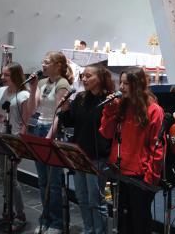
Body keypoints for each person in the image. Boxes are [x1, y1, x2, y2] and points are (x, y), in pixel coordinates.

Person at [99, 67, 164, 234]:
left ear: (138, 85)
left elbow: (157, 148)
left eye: (126, 83)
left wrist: (150, 178)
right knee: (119, 218)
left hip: (139, 177)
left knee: (139, 222)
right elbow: (106, 133)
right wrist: (109, 110)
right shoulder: (120, 106)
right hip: (116, 171)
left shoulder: (154, 110)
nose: (120, 87)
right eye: (120, 82)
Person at [58, 64, 115, 234]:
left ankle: (100, 231)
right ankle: (88, 229)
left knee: (96, 201)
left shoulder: (109, 100)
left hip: (97, 157)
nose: (84, 79)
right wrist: (65, 110)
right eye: (83, 75)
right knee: (82, 198)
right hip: (79, 155)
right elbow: (70, 123)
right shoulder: (81, 98)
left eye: (88, 76)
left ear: (101, 78)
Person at [27, 51, 74, 234]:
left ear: (58, 65)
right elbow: (32, 110)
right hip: (38, 128)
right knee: (42, 180)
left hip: (52, 132)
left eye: (47, 62)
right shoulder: (41, 83)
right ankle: (45, 218)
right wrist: (32, 89)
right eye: (43, 61)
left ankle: (56, 223)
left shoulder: (63, 83)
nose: (43, 65)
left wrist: (49, 138)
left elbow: (59, 115)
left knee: (54, 183)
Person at [0, 62, 30, 232]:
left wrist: (21, 147)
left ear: (16, 76)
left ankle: (20, 214)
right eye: (2, 75)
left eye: (6, 75)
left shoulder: (24, 95)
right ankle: (7, 213)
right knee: (4, 177)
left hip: (14, 139)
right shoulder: (1, 91)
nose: (2, 78)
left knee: (12, 179)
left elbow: (25, 123)